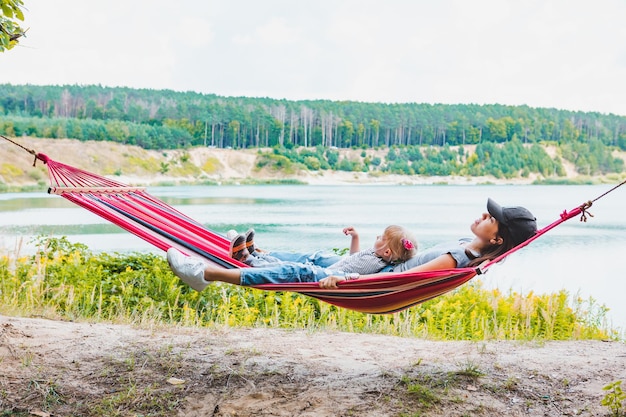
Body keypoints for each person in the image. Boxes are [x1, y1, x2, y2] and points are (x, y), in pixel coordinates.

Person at [166, 225, 417, 291]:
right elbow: (354, 258)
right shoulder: (374, 255)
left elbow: (358, 276)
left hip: (334, 277)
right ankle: (253, 254)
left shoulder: (378, 264)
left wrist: (339, 280)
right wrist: (355, 237)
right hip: (336, 267)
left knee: (297, 270)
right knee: (314, 256)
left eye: (381, 237)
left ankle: (203, 274)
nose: (377, 237)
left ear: (387, 252)